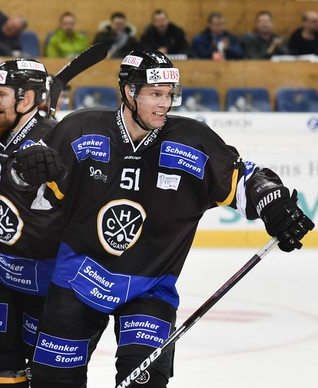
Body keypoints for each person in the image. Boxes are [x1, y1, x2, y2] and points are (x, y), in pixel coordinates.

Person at [21, 50, 315, 387]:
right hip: (78, 279)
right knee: (52, 382)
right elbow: (37, 200)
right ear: (129, 92)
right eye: (155, 95)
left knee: (145, 383)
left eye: (169, 95)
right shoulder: (79, 129)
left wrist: (272, 201)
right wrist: (26, 174)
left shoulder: (191, 141)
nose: (165, 104)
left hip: (150, 287)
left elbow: (247, 180)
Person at [0, 58, 76, 388]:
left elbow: (72, 212)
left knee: (46, 376)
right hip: (8, 280)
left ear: (25, 99)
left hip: (51, 288)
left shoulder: (55, 141)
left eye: (0, 94)